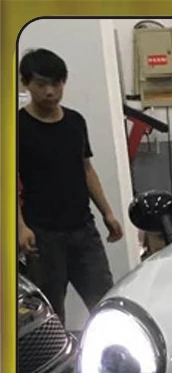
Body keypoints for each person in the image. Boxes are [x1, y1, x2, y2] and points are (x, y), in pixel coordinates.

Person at [18, 48, 123, 323]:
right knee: (50, 314)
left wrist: (108, 213)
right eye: (41, 84)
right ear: (25, 83)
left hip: (83, 230)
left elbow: (86, 169)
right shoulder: (17, 127)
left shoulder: (75, 122)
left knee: (105, 302)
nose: (50, 92)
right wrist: (20, 226)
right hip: (42, 235)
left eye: (56, 83)